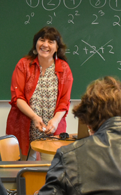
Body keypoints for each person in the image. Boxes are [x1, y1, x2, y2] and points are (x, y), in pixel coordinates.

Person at [6, 26, 73, 160]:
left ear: (57, 47)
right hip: (24, 128)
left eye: (51, 42)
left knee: (50, 171)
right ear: (36, 43)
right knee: (22, 172)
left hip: (52, 130)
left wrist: (55, 121)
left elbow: (64, 102)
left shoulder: (64, 68)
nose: (45, 45)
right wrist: (35, 117)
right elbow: (17, 98)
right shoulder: (24, 64)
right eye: (42, 40)